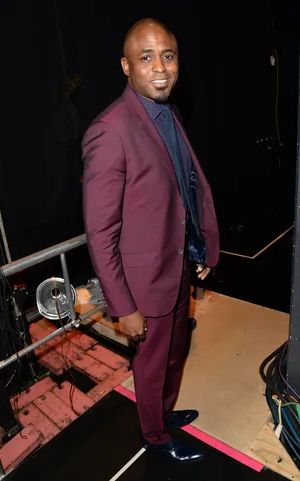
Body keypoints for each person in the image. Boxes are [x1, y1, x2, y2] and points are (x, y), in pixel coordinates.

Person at [82, 18, 219, 463]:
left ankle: (162, 410)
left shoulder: (168, 113)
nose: (160, 67)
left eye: (168, 55)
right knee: (152, 362)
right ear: (126, 66)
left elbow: (185, 185)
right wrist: (124, 307)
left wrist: (200, 244)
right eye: (146, 57)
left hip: (177, 264)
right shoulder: (109, 131)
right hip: (144, 284)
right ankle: (154, 434)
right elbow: (101, 233)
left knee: (176, 353)